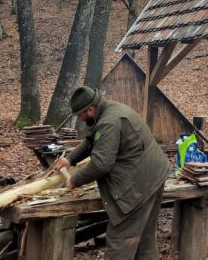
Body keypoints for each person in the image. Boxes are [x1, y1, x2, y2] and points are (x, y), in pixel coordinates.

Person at [53, 87, 172, 260]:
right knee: (144, 239)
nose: (80, 118)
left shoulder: (109, 122)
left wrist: (74, 180)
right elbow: (91, 140)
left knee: (120, 241)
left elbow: (101, 164)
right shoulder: (106, 111)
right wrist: (70, 159)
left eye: (81, 115)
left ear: (90, 109)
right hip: (153, 173)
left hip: (140, 183)